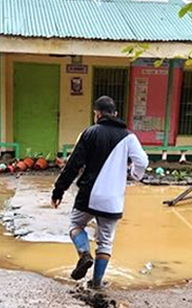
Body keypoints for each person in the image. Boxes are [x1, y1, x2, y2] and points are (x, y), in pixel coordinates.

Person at [51, 95, 149, 289]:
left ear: (97, 114)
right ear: (115, 114)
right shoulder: (129, 137)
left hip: (89, 194)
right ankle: (96, 284)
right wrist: (134, 174)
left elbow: (73, 164)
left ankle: (84, 253)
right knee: (105, 242)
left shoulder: (90, 132)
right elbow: (143, 162)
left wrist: (58, 190)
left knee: (76, 225)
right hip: (113, 199)